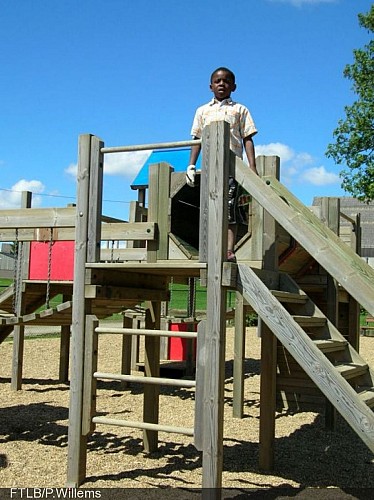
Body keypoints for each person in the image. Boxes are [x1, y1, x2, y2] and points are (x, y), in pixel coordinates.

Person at [186, 66, 258, 262]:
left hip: (233, 168)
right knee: (209, 207)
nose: (222, 84)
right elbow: (196, 139)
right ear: (210, 86)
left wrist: (252, 167)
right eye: (217, 81)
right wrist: (191, 165)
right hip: (210, 168)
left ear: (233, 86)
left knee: (230, 208)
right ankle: (208, 248)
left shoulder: (239, 109)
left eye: (226, 81)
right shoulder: (202, 111)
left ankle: (228, 249)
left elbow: (247, 138)